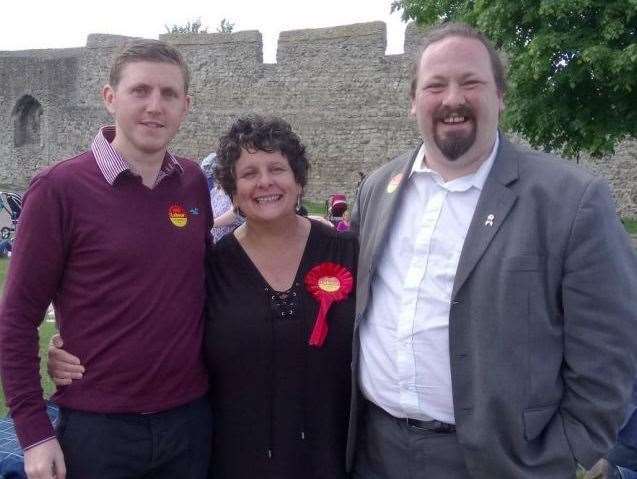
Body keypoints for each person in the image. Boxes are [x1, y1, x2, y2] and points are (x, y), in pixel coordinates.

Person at [347, 22, 637, 479]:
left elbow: (610, 351)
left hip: (501, 462)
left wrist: (570, 450)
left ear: (500, 96)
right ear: (413, 102)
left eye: (472, 82)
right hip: (377, 452)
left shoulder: (571, 200)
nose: (453, 99)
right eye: (435, 85)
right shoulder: (379, 188)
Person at [48, 115, 357, 479]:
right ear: (232, 189)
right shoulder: (212, 267)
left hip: (331, 454)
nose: (265, 183)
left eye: (278, 168)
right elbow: (156, 320)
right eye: (249, 174)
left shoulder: (347, 253)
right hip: (235, 457)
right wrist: (79, 349)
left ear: (299, 180)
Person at [0, 39, 213, 479]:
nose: (155, 106)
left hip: (188, 422)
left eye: (169, 94)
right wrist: (35, 434)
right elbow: (17, 318)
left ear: (185, 105)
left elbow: (203, 280)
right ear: (110, 97)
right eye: (141, 91)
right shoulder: (59, 188)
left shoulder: (192, 182)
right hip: (98, 428)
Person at [200, 152, 244, 242]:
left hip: (230, 244)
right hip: (212, 243)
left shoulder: (237, 192)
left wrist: (209, 224)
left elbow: (234, 214)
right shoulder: (215, 191)